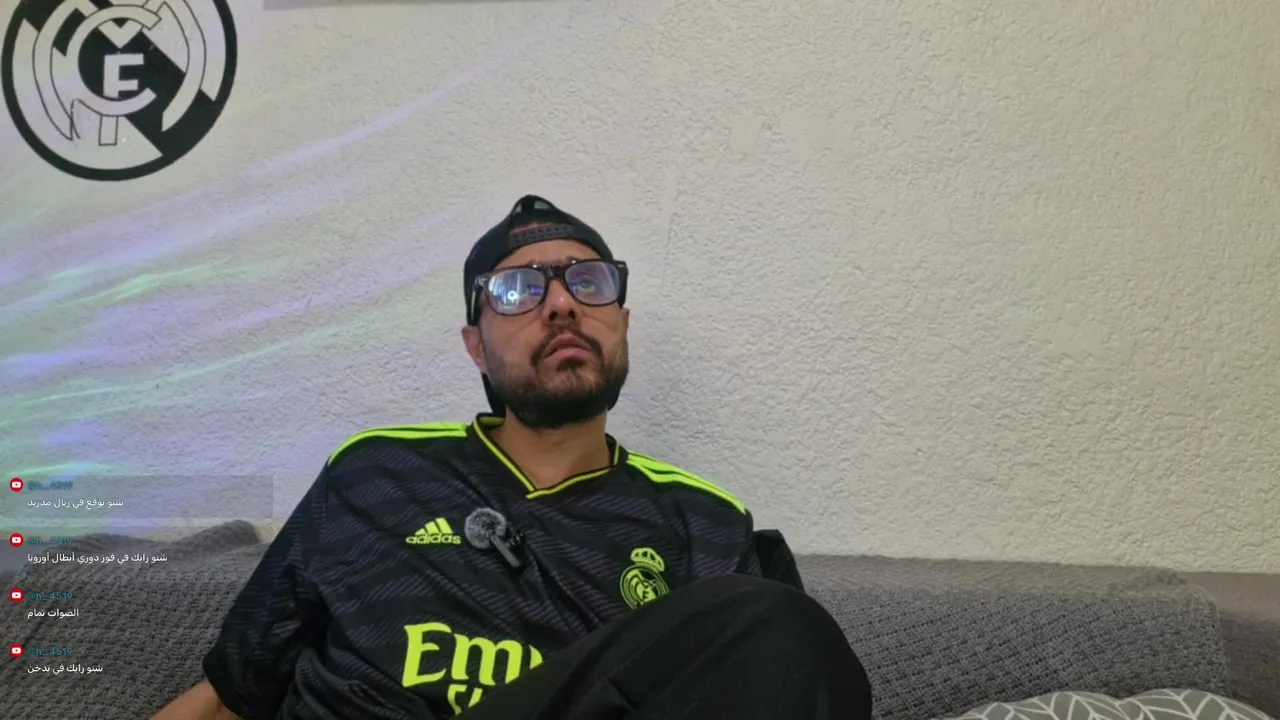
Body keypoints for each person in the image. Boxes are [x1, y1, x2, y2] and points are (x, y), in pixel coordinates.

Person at [153, 195, 873, 720]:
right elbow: (230, 697)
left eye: (588, 282)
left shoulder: (701, 523)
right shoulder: (373, 475)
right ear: (476, 346)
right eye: (518, 290)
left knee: (780, 626)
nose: (560, 304)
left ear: (621, 323)